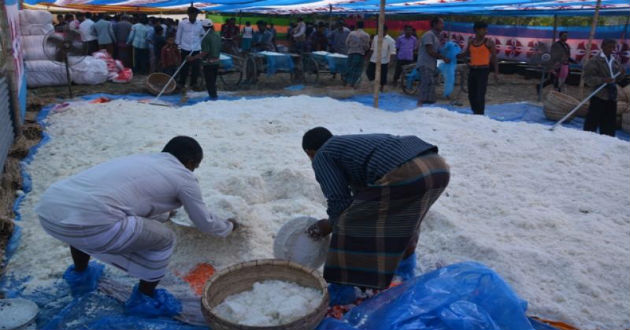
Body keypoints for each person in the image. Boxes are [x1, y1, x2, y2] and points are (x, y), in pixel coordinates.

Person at [35, 136, 237, 316]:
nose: (194, 171)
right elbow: (204, 223)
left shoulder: (144, 159)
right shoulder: (184, 177)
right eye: (195, 167)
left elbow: (132, 201)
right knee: (165, 240)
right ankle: (144, 297)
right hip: (93, 224)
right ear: (190, 162)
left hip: (51, 212)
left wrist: (165, 214)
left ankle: (80, 274)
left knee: (83, 216)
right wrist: (229, 227)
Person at [302, 127, 450, 302]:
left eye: (310, 156)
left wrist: (328, 225)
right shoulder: (350, 146)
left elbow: (339, 203)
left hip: (407, 172)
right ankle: (404, 272)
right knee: (405, 222)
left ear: (311, 153)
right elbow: (363, 194)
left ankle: (342, 290)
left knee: (347, 223)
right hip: (436, 167)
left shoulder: (323, 155)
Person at [583, 39, 626, 137]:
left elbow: (617, 78)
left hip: (612, 96)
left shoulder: (615, 61)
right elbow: (587, 78)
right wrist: (603, 80)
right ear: (602, 47)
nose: (612, 50)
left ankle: (608, 141)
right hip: (599, 96)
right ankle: (586, 140)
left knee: (609, 124)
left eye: (613, 47)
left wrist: (621, 74)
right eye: (609, 47)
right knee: (592, 122)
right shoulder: (594, 61)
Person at [458, 21, 498, 115]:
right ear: (476, 30)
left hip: (483, 71)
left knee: (480, 93)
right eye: (483, 29)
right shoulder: (471, 41)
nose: (486, 31)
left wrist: (496, 72)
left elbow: (494, 58)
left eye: (486, 29)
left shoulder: (489, 42)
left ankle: (480, 113)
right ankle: (475, 111)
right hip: (473, 70)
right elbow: (467, 53)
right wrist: (458, 55)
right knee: (471, 93)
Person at [416, 17, 449, 107]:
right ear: (434, 24)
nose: (442, 26)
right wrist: (443, 58)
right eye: (441, 23)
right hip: (425, 63)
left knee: (431, 84)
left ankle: (428, 104)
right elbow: (430, 51)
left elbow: (437, 51)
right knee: (426, 83)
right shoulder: (429, 35)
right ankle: (420, 104)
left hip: (431, 64)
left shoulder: (436, 37)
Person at [176, 6, 205, 89]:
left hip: (196, 49)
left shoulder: (200, 23)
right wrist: (179, 46)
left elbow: (203, 34)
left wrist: (200, 44)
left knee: (196, 68)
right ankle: (182, 83)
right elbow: (179, 35)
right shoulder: (182, 23)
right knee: (184, 67)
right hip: (185, 48)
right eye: (192, 14)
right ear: (188, 14)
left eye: (196, 15)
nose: (194, 16)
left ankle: (193, 84)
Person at [192, 19, 221, 100]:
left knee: (209, 81)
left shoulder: (206, 37)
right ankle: (214, 95)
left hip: (208, 63)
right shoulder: (217, 35)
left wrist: (193, 57)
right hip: (217, 61)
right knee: (213, 81)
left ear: (204, 27)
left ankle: (213, 97)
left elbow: (205, 52)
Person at [366, 25, 396, 92]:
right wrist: (368, 57)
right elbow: (372, 48)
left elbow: (393, 52)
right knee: (369, 72)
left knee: (383, 77)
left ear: (385, 31)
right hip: (374, 59)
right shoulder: (375, 38)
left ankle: (381, 89)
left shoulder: (390, 40)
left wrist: (391, 62)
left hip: (384, 61)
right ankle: (375, 83)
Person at [343, 21, 370, 88]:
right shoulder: (366, 35)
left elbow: (346, 43)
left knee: (349, 68)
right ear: (363, 26)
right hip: (360, 54)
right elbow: (367, 47)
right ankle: (353, 84)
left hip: (351, 52)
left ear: (356, 26)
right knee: (357, 69)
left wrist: (351, 47)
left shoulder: (351, 33)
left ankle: (347, 82)